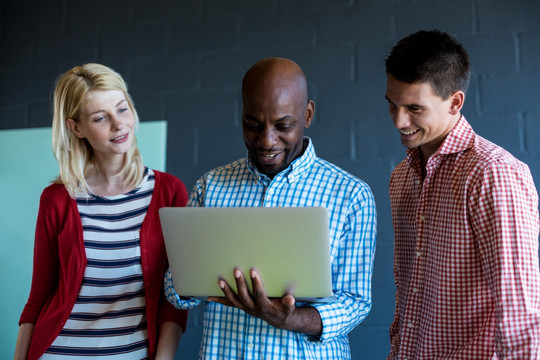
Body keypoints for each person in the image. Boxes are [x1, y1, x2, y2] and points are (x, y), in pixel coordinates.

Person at [164, 57, 377, 359]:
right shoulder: (210, 186)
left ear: (307, 114)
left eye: (283, 125)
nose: (266, 140)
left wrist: (291, 319)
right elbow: (174, 291)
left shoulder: (351, 194)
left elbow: (355, 302)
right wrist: (190, 278)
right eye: (253, 124)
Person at [14, 63, 188, 360]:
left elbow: (173, 300)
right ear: (76, 128)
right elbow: (38, 298)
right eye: (100, 118)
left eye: (122, 109)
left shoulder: (169, 192)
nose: (118, 124)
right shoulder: (56, 199)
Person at [385, 30, 540, 359]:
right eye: (393, 104)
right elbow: (408, 299)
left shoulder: (493, 174)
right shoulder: (402, 177)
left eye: (414, 108)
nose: (399, 120)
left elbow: (520, 312)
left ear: (455, 102)